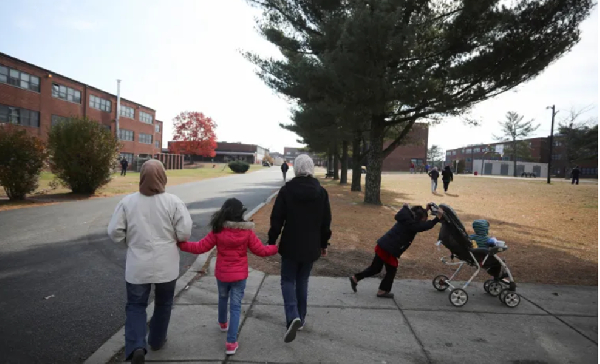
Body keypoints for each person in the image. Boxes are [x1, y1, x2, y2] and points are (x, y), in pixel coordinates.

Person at [108, 160, 192, 364]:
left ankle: (137, 344)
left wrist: (130, 241)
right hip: (167, 265)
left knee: (136, 305)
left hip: (138, 265)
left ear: (141, 177)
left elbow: (114, 232)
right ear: (163, 176)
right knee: (164, 303)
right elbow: (184, 232)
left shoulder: (128, 202)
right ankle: (156, 340)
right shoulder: (173, 202)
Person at [178, 198, 278, 355]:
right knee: (236, 307)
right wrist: (275, 248)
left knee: (223, 298)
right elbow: (261, 251)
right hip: (240, 275)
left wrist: (181, 244)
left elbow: (200, 247)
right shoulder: (247, 232)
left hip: (222, 274)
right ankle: (231, 343)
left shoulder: (218, 230)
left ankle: (223, 323)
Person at [268, 154, 332, 343]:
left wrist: (272, 240)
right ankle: (300, 319)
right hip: (311, 245)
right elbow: (325, 222)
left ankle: (292, 316)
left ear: (295, 168)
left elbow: (277, 218)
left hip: (290, 244)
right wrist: (323, 244)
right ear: (311, 168)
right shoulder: (321, 192)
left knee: (287, 280)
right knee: (302, 280)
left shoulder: (287, 190)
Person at [350, 204, 443, 298]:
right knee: (391, 269)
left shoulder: (408, 217)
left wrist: (426, 210)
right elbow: (422, 226)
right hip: (389, 249)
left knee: (376, 268)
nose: (425, 221)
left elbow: (419, 222)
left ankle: (356, 278)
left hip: (384, 245)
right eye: (424, 219)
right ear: (419, 218)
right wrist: (437, 219)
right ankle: (382, 290)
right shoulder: (411, 224)